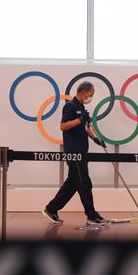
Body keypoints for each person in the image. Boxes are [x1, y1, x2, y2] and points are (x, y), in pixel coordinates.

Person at [42, 81, 108, 225]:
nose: (91, 96)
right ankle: (91, 215)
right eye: (91, 93)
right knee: (84, 183)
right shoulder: (70, 106)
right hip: (74, 152)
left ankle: (51, 209)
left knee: (73, 183)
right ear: (83, 92)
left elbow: (86, 128)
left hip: (82, 151)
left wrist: (97, 140)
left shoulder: (82, 108)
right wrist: (80, 119)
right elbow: (63, 126)